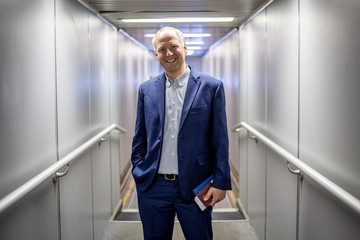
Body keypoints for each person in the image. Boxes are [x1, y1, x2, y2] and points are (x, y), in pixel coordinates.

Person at [131, 26, 231, 240]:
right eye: (162, 49)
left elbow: (220, 140)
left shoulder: (211, 87)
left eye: (174, 47)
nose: (169, 54)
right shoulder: (146, 89)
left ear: (184, 48)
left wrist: (221, 182)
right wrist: (139, 171)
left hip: (197, 184)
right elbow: (140, 137)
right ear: (156, 54)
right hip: (153, 186)